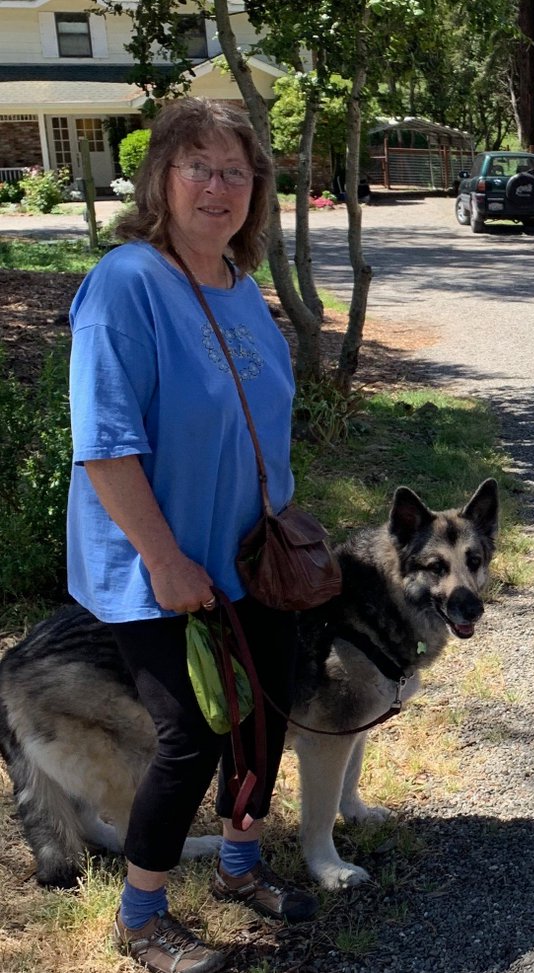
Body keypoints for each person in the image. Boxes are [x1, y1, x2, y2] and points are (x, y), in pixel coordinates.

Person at [67, 97, 317, 973]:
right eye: (198, 167)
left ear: (257, 191)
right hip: (159, 563)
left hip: (255, 557)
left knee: (261, 718)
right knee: (192, 733)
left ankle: (240, 866)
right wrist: (165, 559)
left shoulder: (242, 289)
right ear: (160, 180)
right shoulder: (126, 283)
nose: (218, 186)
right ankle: (141, 916)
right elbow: (104, 443)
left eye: (236, 172)